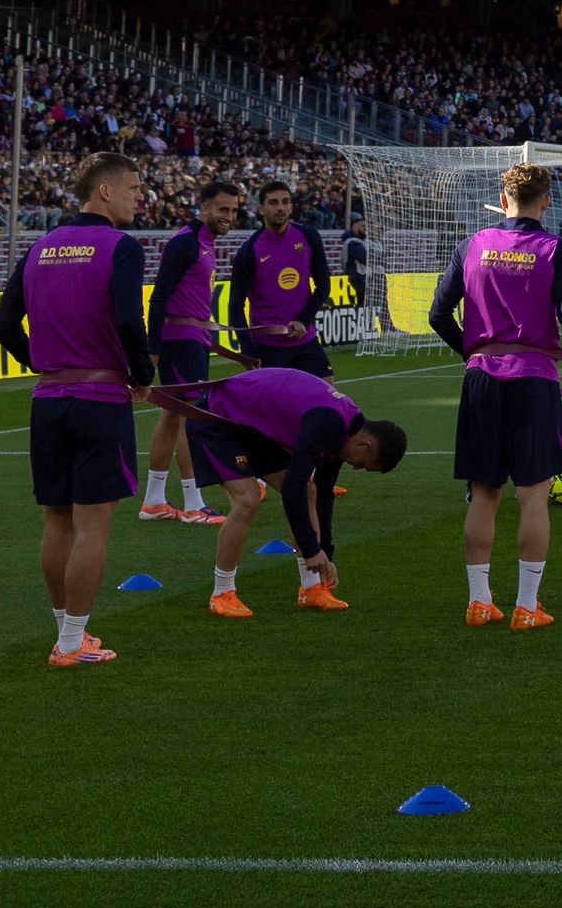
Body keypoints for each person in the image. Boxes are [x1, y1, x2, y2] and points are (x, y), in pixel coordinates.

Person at [0, 152, 156, 668]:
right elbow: (130, 321)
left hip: (49, 400)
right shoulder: (120, 247)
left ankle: (66, 631)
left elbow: (2, 326)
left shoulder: (40, 247)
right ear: (103, 191)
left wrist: (40, 360)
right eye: (132, 187)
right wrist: (143, 376)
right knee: (91, 527)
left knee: (57, 523)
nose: (138, 197)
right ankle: (70, 643)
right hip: (99, 400)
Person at [429, 162, 562, 630]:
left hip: (481, 379)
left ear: (502, 196)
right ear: (545, 200)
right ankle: (526, 607)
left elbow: (438, 314)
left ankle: (479, 601)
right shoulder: (554, 248)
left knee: (484, 494)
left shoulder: (472, 245)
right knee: (533, 496)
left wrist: (472, 352)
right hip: (532, 380)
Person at [175, 365, 408, 618]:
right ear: (365, 444)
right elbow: (292, 487)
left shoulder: (347, 432)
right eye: (362, 464)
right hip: (215, 418)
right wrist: (310, 549)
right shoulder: (328, 423)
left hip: (248, 425)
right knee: (248, 500)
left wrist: (325, 555)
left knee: (310, 491)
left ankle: (311, 589)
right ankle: (222, 593)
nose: (355, 468)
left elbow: (323, 494)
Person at [139, 179, 243, 527]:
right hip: (179, 340)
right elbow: (159, 296)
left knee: (172, 416)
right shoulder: (185, 242)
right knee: (189, 417)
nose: (229, 215)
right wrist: (153, 348)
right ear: (204, 209)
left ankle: (154, 500)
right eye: (222, 209)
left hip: (190, 338)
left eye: (233, 209)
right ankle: (193, 502)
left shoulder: (204, 242)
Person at [225, 182, 332, 375]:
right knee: (274, 405)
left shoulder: (308, 236)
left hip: (305, 340)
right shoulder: (249, 250)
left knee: (327, 400)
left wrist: (303, 320)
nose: (280, 207)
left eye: (285, 202)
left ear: (291, 206)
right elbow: (235, 305)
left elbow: (324, 285)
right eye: (273, 203)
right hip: (267, 346)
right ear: (261, 209)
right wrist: (247, 349)